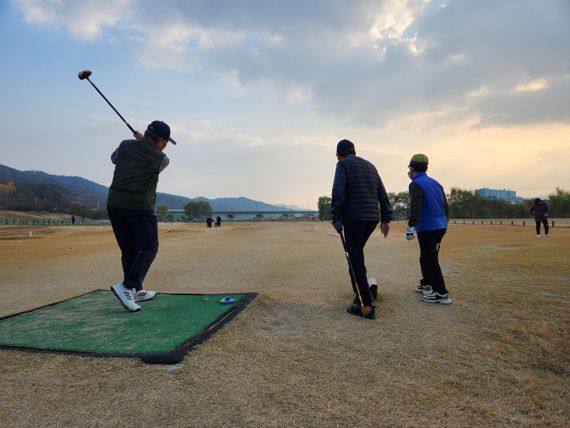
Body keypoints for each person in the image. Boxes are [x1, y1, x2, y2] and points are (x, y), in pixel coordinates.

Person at [108, 120, 177, 312]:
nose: (165, 146)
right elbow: (162, 160)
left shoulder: (124, 145)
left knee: (129, 248)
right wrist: (143, 143)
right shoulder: (160, 158)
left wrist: (139, 142)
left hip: (114, 205)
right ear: (160, 140)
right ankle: (127, 286)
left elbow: (114, 159)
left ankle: (135, 289)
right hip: (140, 207)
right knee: (149, 247)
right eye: (165, 142)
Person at [331, 139, 393, 319]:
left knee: (355, 259)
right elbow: (383, 193)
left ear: (338, 154)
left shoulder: (342, 165)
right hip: (371, 218)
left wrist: (336, 217)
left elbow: (338, 192)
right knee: (355, 255)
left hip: (354, 218)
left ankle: (366, 305)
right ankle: (361, 295)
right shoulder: (371, 166)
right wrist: (386, 218)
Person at [405, 154, 451, 304]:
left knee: (430, 259)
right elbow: (445, 206)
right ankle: (426, 283)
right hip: (440, 225)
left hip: (427, 227)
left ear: (411, 168)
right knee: (427, 256)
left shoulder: (416, 184)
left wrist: (411, 226)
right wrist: (445, 222)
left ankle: (441, 293)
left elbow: (415, 206)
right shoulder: (436, 183)